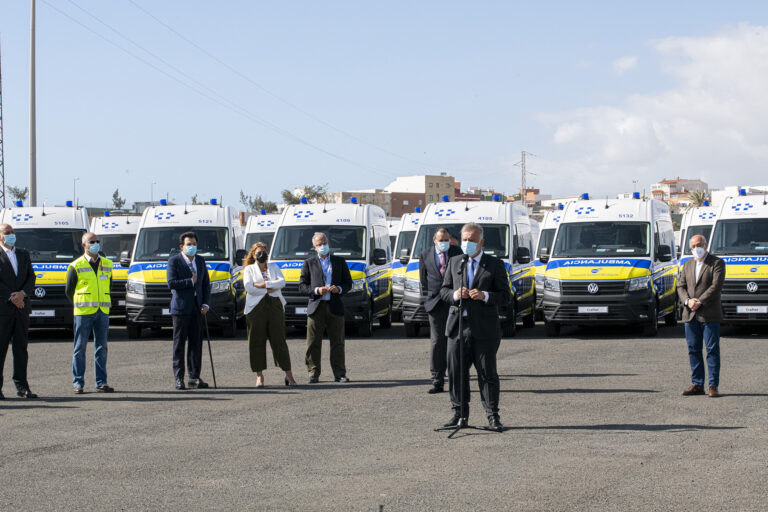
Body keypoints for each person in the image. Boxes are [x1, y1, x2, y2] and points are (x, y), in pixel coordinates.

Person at [439, 222, 511, 432]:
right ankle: (459, 414)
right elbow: (443, 291)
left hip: (484, 329)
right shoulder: (455, 262)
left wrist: (485, 295)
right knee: (456, 373)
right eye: (464, 239)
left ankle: (492, 416)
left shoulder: (494, 264)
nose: (468, 243)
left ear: (481, 241)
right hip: (457, 327)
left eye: (472, 240)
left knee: (487, 374)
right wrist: (454, 295)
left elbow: (505, 296)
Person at [298, 232, 353, 383]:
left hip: (335, 307)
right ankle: (313, 373)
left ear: (328, 243)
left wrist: (339, 289)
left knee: (338, 342)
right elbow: (302, 286)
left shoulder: (339, 261)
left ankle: (339, 374)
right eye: (319, 244)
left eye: (324, 243)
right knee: (313, 342)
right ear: (314, 247)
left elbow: (349, 283)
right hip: (316, 307)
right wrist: (317, 290)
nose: (323, 246)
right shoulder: (309, 263)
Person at [65, 232, 114, 394]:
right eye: (92, 241)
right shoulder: (76, 265)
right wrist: (79, 305)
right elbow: (69, 290)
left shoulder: (107, 264)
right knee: (79, 348)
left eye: (97, 241)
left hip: (102, 311)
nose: (96, 244)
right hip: (83, 312)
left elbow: (109, 285)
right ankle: (78, 383)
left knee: (102, 348)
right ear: (84, 245)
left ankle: (101, 382)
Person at [677, 234, 725, 398]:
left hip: (709, 314)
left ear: (705, 245)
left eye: (698, 245)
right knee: (693, 349)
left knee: (712, 350)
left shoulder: (717, 263)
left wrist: (700, 301)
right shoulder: (688, 264)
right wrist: (687, 302)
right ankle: (697, 384)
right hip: (690, 314)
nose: (696, 248)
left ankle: (713, 385)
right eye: (693, 246)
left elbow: (716, 286)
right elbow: (680, 286)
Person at [243, 242, 296, 387]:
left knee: (279, 340)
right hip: (255, 308)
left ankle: (289, 375)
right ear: (253, 255)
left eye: (264, 252)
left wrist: (262, 285)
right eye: (259, 252)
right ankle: (259, 376)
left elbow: (282, 283)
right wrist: (269, 288)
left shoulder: (273, 267)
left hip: (275, 306)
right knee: (256, 341)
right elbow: (249, 287)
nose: (262, 255)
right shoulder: (249, 269)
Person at [419, 227, 462, 394]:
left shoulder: (457, 252)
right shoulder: (425, 254)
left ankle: (456, 378)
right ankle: (437, 379)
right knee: (437, 342)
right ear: (434, 240)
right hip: (435, 303)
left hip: (455, 301)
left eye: (447, 240)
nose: (444, 243)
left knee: (456, 340)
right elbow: (424, 280)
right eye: (441, 240)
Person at [167, 232, 211, 390]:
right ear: (182, 246)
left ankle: (194, 377)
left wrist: (206, 303)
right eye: (189, 244)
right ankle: (179, 378)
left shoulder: (200, 260)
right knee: (179, 344)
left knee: (196, 344)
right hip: (180, 308)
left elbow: (206, 284)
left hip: (197, 308)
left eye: (194, 244)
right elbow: (171, 283)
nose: (192, 247)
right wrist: (189, 281)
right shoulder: (174, 261)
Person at [0, 224, 37, 399]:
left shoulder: (23, 254)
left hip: (21, 310)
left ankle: (22, 386)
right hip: (3, 309)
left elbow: (31, 277)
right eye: (7, 233)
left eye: (12, 232)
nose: (11, 235)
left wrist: (22, 294)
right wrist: (12, 297)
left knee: (21, 349)